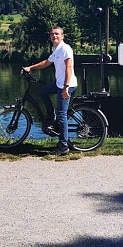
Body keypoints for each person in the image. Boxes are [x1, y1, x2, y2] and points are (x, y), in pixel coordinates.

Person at [23, 26, 78, 156]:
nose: (54, 36)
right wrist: (30, 67)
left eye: (57, 34)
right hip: (59, 83)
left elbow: (69, 68)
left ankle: (63, 146)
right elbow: (47, 62)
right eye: (52, 34)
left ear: (62, 36)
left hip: (67, 85)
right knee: (42, 92)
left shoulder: (65, 49)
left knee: (62, 114)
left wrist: (65, 87)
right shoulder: (57, 50)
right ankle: (51, 116)